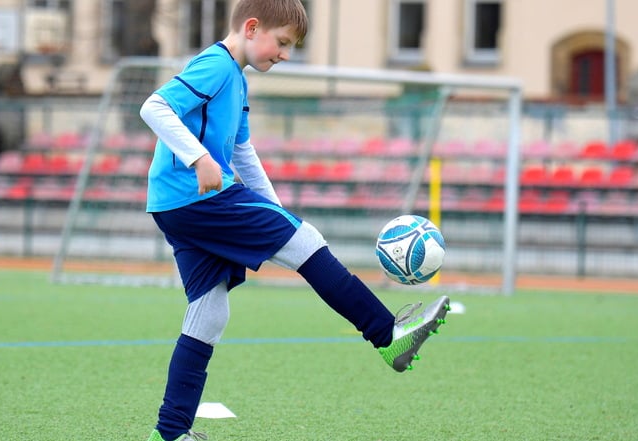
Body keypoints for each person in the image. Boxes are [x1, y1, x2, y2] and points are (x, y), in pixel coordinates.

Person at [138, 1, 450, 440]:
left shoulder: (236, 80)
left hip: (176, 205)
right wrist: (199, 157)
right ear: (251, 28)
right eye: (282, 42)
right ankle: (387, 334)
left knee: (209, 313)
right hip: (199, 197)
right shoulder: (215, 64)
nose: (285, 53)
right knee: (307, 242)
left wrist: (278, 212)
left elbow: (243, 153)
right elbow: (154, 107)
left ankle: (169, 434)